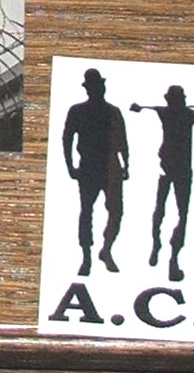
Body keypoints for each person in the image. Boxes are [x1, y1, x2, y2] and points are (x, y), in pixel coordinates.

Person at [130, 84, 194, 282]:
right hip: (180, 170)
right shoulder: (187, 114)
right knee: (178, 213)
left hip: (170, 168)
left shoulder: (167, 112)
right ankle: (167, 253)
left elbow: (146, 108)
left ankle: (163, 249)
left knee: (164, 210)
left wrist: (138, 108)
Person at [61, 68, 129, 276]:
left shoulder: (113, 111)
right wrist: (69, 165)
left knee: (115, 211)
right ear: (90, 89)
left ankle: (106, 250)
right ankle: (87, 257)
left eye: (101, 86)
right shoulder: (77, 111)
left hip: (110, 167)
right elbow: (67, 138)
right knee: (86, 212)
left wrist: (126, 164)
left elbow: (122, 140)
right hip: (89, 167)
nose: (100, 89)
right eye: (96, 86)